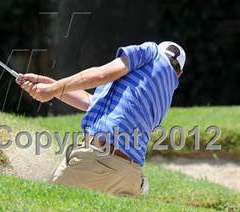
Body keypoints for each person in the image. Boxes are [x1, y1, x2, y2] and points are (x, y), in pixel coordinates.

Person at [16, 41, 186, 196]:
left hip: (97, 160)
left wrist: (52, 89)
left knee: (45, 206)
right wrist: (49, 84)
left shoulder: (151, 51)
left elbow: (100, 75)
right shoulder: (164, 95)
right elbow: (93, 103)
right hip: (130, 176)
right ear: (178, 74)